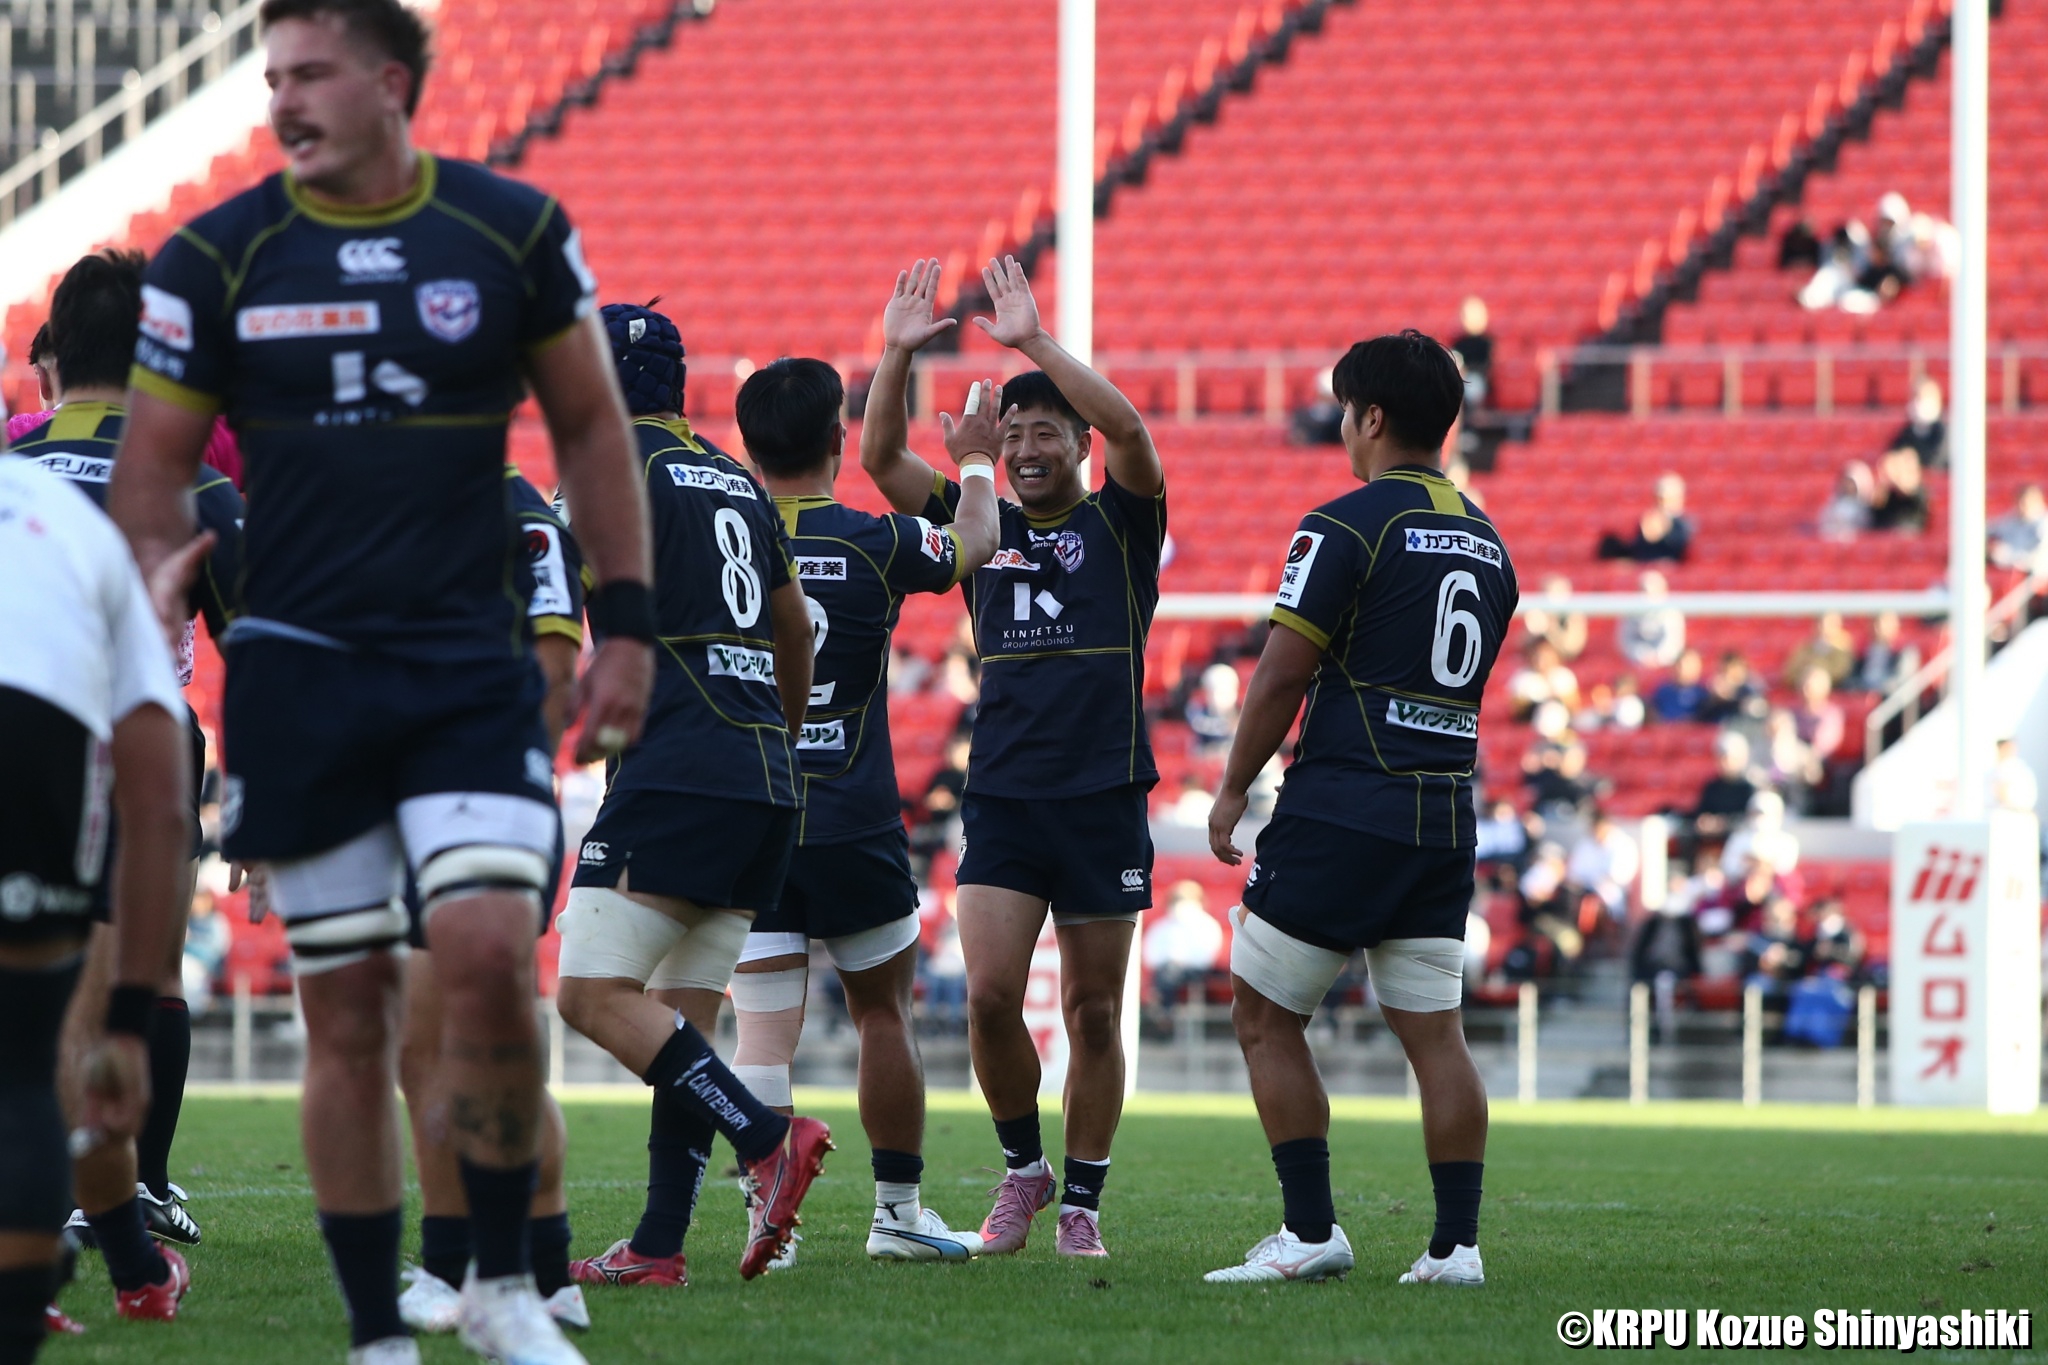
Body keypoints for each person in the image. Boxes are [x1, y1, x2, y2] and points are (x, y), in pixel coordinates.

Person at [107, 3, 657, 1360]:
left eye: (312, 73)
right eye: (272, 78)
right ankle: (377, 1332)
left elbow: (591, 425)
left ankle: (507, 1287)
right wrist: (149, 581)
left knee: (487, 959)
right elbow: (153, 468)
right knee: (348, 1010)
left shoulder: (509, 229)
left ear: (392, 82)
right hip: (300, 677)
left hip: (467, 666)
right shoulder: (215, 255)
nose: (284, 100)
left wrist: (629, 626)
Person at [861, 255, 1166, 1259]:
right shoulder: (976, 518)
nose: (1028, 449)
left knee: (1091, 1010)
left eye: (1046, 434)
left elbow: (1133, 432)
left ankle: (1082, 1201)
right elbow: (879, 459)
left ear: (1078, 446)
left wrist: (1031, 340)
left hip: (1103, 793)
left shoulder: (1119, 521)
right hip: (1002, 793)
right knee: (989, 996)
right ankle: (1023, 1167)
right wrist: (898, 352)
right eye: (1016, 434)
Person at [1206, 330, 1517, 1286]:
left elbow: (1281, 673)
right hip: (1442, 817)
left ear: (1371, 416)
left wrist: (1232, 788)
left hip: (1345, 804)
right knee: (1435, 1033)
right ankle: (1456, 1247)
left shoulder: (1344, 525)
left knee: (1264, 1013)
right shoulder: (1491, 541)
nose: (1342, 426)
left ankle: (1310, 1231)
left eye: (1345, 409)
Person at [721, 279, 1001, 1267]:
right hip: (853, 815)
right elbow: (977, 543)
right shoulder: (876, 540)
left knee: (761, 1037)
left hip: (754, 814)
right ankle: (896, 1214)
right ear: (837, 445)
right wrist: (973, 461)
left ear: (748, 449)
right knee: (883, 1013)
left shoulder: (723, 542)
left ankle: (768, 1222)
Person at [553, 304, 830, 1291]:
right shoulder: (736, 480)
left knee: (590, 994)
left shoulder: (603, 466)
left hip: (676, 767)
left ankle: (767, 1141)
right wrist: (774, 741)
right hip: (764, 780)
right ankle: (659, 1246)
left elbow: (549, 601)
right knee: (679, 1022)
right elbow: (794, 629)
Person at [6, 249, 245, 1271]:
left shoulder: (12, 466)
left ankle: (74, 1208)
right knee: (142, 978)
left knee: (39, 985)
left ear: (52, 357)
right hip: (145, 741)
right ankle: (131, 1189)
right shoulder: (192, 475)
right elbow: (259, 642)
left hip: (22, 727)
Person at [0, 458, 205, 1353]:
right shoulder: (81, 518)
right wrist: (125, 1025)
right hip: (36, 728)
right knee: (26, 1058)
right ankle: (61, 1294)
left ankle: (122, 1265)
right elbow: (158, 807)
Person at [393, 471, 590, 1336]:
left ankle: (471, 1269)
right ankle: (533, 1272)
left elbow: (557, 667)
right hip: (426, 796)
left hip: (481, 795)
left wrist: (505, 780)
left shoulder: (516, 511)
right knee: (438, 1046)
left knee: (460, 1044)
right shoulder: (402, 497)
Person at [1142, 882, 1226, 1015]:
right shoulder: (1160, 927)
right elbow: (1150, 955)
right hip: (1167, 969)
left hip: (1197, 971)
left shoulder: (1207, 925)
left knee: (1168, 974)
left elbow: (1206, 956)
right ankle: (1164, 1012)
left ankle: (1164, 1013)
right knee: (1168, 972)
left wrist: (1181, 961)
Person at [1691, 731, 1759, 843]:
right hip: (1710, 841)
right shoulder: (1711, 787)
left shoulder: (1749, 789)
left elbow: (1750, 820)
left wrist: (1724, 824)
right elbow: (1700, 815)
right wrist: (1705, 823)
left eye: (1727, 758)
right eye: (1720, 758)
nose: (1723, 763)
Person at [1617, 570, 1684, 670]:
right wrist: (1642, 655)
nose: (1646, 596)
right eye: (1643, 590)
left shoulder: (1672, 611)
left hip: (1665, 666)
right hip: (1635, 664)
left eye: (1652, 591)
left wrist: (1657, 658)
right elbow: (1626, 641)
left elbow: (1673, 643)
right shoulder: (1631, 611)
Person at [1851, 611, 1920, 694]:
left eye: (1883, 622)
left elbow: (1902, 681)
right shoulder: (1863, 650)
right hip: (1864, 694)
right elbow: (1853, 678)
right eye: (1874, 622)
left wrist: (1874, 689)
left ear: (1895, 624)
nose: (1876, 627)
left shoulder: (1905, 650)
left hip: (1888, 697)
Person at [1783, 613, 1857, 690]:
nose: (1827, 626)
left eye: (1832, 622)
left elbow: (1841, 671)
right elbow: (1790, 672)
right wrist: (1807, 676)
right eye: (1822, 622)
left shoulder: (1843, 644)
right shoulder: (1805, 645)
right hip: (1803, 685)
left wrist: (1819, 673)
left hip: (1833, 687)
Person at [1889, 377, 1948, 470]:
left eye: (1921, 398)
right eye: (1914, 397)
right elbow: (1893, 456)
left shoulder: (1944, 433)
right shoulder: (1907, 433)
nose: (1916, 403)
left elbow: (1937, 462)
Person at [1988, 485, 2048, 575]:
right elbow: (1992, 529)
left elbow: (2038, 556)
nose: (2021, 507)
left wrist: (2006, 554)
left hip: (2037, 574)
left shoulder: (2044, 524)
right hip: (2011, 571)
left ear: (2038, 502)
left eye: (2025, 503)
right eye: (2019, 503)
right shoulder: (2013, 519)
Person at [1869, 447, 1928, 533]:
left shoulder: (1919, 491)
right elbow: (1877, 510)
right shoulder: (1888, 492)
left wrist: (1893, 478)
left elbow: (1908, 492)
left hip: (1908, 531)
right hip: (1885, 532)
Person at [1449, 295, 1492, 410]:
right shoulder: (1458, 343)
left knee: (1473, 383)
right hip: (1462, 379)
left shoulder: (1487, 342)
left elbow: (1488, 365)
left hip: (1477, 380)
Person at [1649, 648, 1708, 723]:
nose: (1683, 668)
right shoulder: (1663, 692)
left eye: (1691, 664)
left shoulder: (1703, 694)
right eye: (1681, 664)